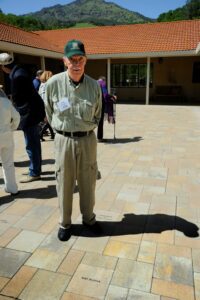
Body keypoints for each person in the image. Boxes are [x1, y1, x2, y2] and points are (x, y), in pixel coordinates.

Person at [45, 39, 102, 241]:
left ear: (85, 61)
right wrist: (62, 131)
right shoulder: (53, 85)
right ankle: (65, 223)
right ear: (65, 61)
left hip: (87, 140)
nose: (76, 63)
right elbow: (49, 113)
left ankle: (89, 219)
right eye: (72, 59)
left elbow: (97, 115)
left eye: (81, 59)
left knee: (88, 182)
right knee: (64, 182)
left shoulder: (94, 86)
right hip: (63, 141)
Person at [0, 53, 46, 183]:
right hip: (32, 112)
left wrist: (12, 115)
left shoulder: (17, 76)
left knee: (31, 144)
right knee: (34, 143)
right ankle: (36, 168)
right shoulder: (19, 71)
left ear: (3, 66)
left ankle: (35, 172)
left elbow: (18, 99)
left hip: (29, 114)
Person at [0, 87, 20, 195]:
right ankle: (12, 188)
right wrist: (12, 128)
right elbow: (17, 117)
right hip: (6, 135)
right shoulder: (6, 102)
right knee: (8, 163)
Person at [97, 76, 117, 142]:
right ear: (104, 80)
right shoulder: (102, 84)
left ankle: (96, 137)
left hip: (95, 105)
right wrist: (112, 96)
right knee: (100, 122)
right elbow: (105, 95)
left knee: (97, 121)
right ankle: (99, 137)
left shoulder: (96, 83)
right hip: (101, 105)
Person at [38, 70, 55, 141]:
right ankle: (40, 135)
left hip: (42, 105)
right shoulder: (47, 85)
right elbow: (45, 98)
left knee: (49, 120)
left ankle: (53, 135)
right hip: (46, 105)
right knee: (48, 121)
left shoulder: (41, 85)